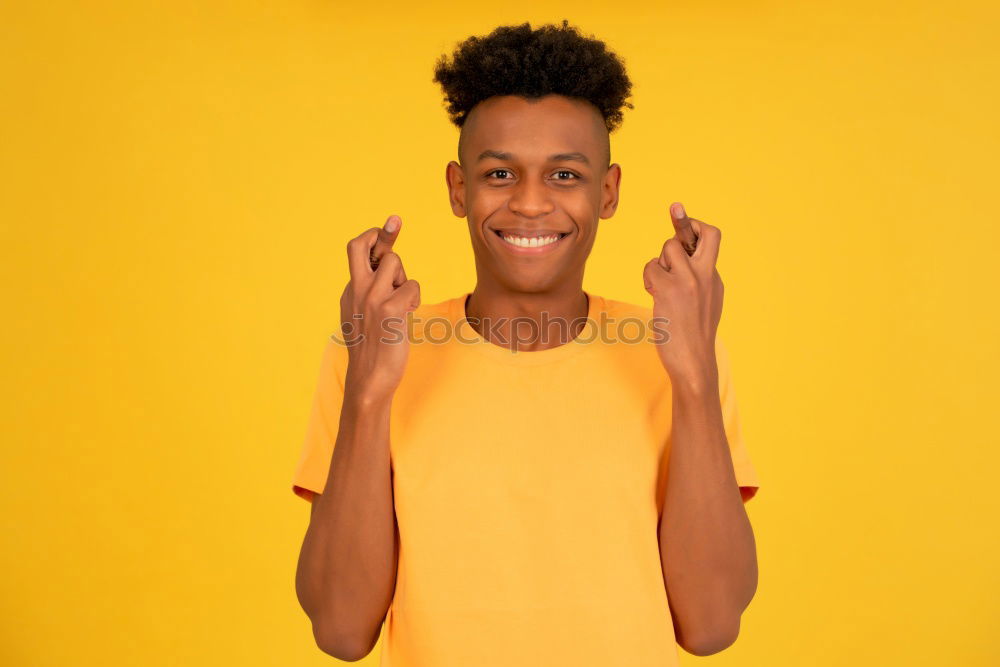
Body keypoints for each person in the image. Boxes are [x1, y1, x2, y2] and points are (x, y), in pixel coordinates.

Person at [291, 19, 761, 666]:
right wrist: (370, 392)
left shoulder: (678, 352)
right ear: (459, 190)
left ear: (609, 190)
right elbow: (341, 630)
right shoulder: (376, 348)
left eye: (565, 175)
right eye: (500, 173)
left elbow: (710, 624)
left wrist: (695, 375)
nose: (532, 204)